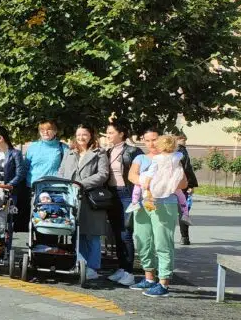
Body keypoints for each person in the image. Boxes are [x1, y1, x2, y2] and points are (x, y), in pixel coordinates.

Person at [128, 128, 187, 297]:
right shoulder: (140, 158)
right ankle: (149, 279)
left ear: (161, 141)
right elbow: (132, 176)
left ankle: (164, 283)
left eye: (154, 139)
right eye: (147, 140)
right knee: (143, 241)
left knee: (162, 242)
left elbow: (183, 184)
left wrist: (165, 182)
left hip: (164, 203)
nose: (151, 144)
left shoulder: (173, 160)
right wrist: (147, 181)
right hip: (142, 203)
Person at [58, 124, 111, 281]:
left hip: (89, 199)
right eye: (79, 134)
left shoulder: (99, 153)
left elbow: (103, 174)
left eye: (85, 134)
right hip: (71, 198)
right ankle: (81, 264)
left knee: (92, 234)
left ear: (91, 136)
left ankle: (93, 267)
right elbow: (61, 172)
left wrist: (82, 184)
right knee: (77, 233)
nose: (81, 137)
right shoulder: (70, 152)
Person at [105, 120, 142, 286]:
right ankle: (121, 267)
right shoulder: (108, 151)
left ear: (121, 134)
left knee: (126, 232)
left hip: (127, 193)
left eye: (111, 132)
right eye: (107, 133)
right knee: (116, 231)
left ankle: (129, 271)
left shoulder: (133, 151)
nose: (108, 135)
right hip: (111, 194)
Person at [128, 136, 189, 222]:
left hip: (159, 178)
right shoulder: (178, 156)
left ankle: (135, 202)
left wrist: (147, 181)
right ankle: (185, 213)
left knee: (140, 184)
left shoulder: (157, 158)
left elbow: (151, 172)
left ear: (159, 146)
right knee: (180, 194)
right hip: (173, 179)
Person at [175, 131, 198, 245]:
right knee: (183, 211)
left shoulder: (167, 151)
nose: (185, 142)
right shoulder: (182, 151)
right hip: (182, 185)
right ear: (177, 139)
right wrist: (191, 184)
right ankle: (185, 237)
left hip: (168, 186)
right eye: (183, 140)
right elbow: (187, 168)